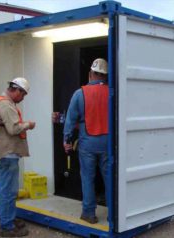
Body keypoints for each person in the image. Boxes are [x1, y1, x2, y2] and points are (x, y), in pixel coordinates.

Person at [0, 77, 35, 237]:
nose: (23, 98)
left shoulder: (1, 102)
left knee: (4, 189)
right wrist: (28, 124)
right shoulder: (6, 105)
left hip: (2, 152)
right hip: (7, 154)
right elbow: (14, 129)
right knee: (8, 191)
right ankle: (7, 227)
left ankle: (7, 219)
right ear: (17, 90)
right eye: (23, 95)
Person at [63, 58, 109, 224]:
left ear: (90, 74)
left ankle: (89, 213)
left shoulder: (79, 93)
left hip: (87, 143)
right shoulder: (112, 92)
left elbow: (70, 120)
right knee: (109, 177)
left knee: (87, 178)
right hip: (108, 144)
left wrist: (66, 140)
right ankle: (114, 215)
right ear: (105, 76)